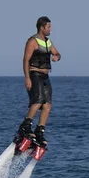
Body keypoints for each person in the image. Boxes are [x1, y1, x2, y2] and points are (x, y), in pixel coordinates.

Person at [17, 16, 61, 146]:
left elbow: (58, 53)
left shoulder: (48, 42)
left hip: (45, 76)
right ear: (41, 27)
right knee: (38, 100)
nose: (50, 29)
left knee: (47, 105)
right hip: (34, 74)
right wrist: (27, 78)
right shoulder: (33, 41)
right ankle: (25, 126)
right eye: (48, 27)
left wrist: (56, 57)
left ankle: (40, 131)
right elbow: (25, 60)